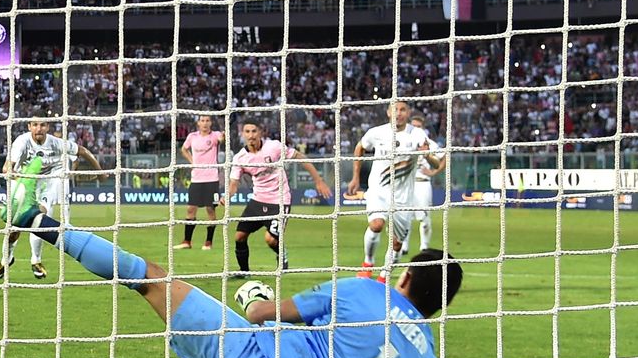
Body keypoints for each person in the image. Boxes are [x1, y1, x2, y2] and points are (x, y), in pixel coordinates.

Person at [0, 163, 462, 358]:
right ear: (439, 306)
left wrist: (253, 294)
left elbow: (262, 315)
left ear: (405, 277)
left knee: (150, 278)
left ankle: (34, 219)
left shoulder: (367, 292)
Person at [0, 118, 103, 281]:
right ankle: (6, 259)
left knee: (38, 220)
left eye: (42, 125)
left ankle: (36, 260)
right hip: (23, 182)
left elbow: (83, 151)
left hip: (47, 183)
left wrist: (100, 172)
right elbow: (7, 167)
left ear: (47, 127)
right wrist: (13, 174)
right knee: (14, 228)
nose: (39, 128)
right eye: (35, 125)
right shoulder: (22, 141)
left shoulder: (56, 143)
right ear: (29, 127)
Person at [348, 102, 442, 281]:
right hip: (379, 189)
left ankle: (383, 277)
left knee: (397, 243)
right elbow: (360, 147)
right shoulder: (377, 132)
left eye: (402, 110)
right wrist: (355, 177)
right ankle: (368, 263)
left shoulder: (418, 134)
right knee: (376, 224)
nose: (398, 113)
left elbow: (436, 163)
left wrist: (427, 155)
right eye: (395, 110)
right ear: (388, 113)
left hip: (403, 197)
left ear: (408, 113)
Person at [225, 119, 332, 272]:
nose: (251, 135)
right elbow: (233, 184)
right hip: (257, 200)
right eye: (247, 132)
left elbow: (299, 156)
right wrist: (227, 196)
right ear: (243, 134)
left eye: (254, 131)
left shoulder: (274, 147)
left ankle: (282, 254)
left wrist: (318, 180)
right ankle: (244, 272)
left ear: (261, 132)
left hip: (279, 200)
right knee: (239, 236)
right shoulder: (240, 158)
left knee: (270, 239)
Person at [175, 115, 224, 251]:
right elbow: (184, 149)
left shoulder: (215, 135)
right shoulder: (192, 137)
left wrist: (224, 136)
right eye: (202, 121)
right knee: (191, 209)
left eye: (207, 121)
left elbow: (221, 139)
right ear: (198, 123)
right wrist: (192, 162)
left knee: (210, 209)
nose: (205, 123)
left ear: (211, 123)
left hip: (212, 178)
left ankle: (208, 242)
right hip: (196, 178)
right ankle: (187, 241)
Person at [409, 114, 446, 252]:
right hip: (407, 184)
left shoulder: (430, 144)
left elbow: (445, 156)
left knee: (424, 216)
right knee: (404, 216)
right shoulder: (404, 142)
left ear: (423, 128)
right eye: (413, 126)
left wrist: (433, 172)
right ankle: (403, 246)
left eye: (419, 126)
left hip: (422, 183)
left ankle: (424, 245)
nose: (416, 129)